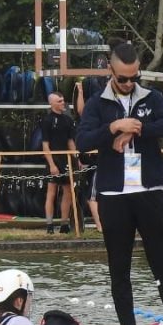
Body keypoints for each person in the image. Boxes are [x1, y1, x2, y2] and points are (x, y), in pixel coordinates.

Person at [75, 40, 163, 325]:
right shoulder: (97, 103)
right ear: (110, 70)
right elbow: (82, 140)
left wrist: (135, 128)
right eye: (123, 78)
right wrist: (113, 128)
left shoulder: (151, 97)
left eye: (134, 76)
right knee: (119, 266)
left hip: (149, 190)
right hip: (114, 193)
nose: (129, 83)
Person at [40, 91, 77, 235]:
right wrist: (51, 164)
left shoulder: (67, 120)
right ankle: (49, 224)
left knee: (67, 191)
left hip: (66, 159)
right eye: (59, 101)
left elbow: (70, 141)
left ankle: (64, 223)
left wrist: (76, 158)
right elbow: (45, 145)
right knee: (51, 192)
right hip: (53, 159)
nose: (63, 103)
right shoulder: (47, 120)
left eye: (63, 101)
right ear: (52, 104)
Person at [73, 76, 101, 232]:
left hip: (100, 160)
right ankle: (100, 226)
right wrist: (81, 91)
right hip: (90, 160)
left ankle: (102, 225)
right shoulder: (86, 121)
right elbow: (81, 111)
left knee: (95, 195)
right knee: (91, 195)